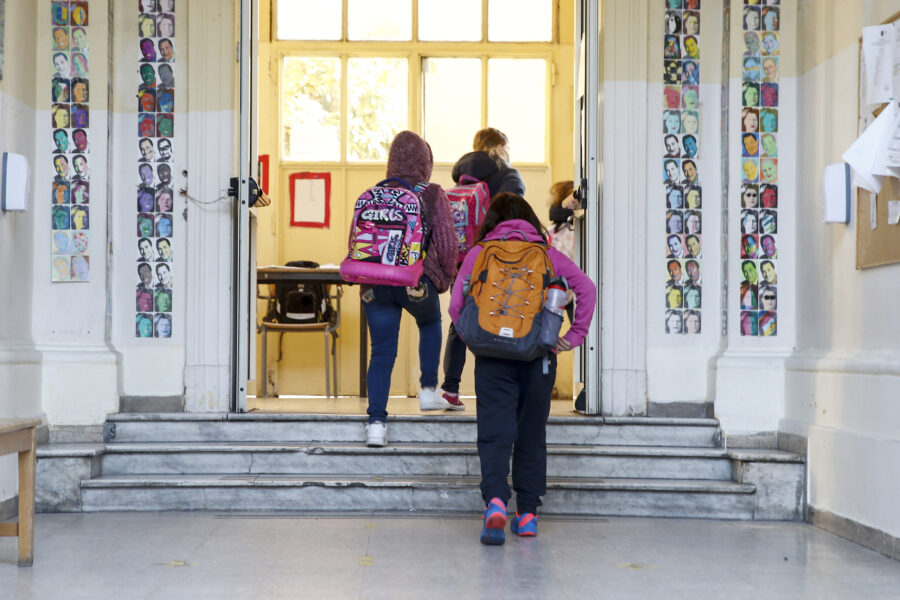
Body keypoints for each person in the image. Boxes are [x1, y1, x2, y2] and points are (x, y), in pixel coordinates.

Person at [449, 192, 596, 544]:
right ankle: (527, 515)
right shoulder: (548, 255)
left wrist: (477, 339)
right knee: (531, 435)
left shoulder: (479, 253)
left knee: (494, 433)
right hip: (538, 357)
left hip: (493, 358)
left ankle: (496, 502)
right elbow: (586, 289)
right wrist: (572, 337)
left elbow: (456, 305)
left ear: (492, 221)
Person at [363, 131, 458, 448]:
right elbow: (447, 247)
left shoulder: (373, 194)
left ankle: (376, 423)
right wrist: (443, 279)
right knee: (430, 322)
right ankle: (429, 390)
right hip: (414, 280)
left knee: (382, 352)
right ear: (425, 162)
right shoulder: (431, 193)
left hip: (375, 282)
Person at [439, 128, 525, 409]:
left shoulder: (463, 177)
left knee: (461, 320)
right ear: (501, 147)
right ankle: (492, 391)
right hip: (494, 259)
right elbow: (513, 215)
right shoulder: (508, 176)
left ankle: (450, 389)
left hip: (463, 260)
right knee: (497, 319)